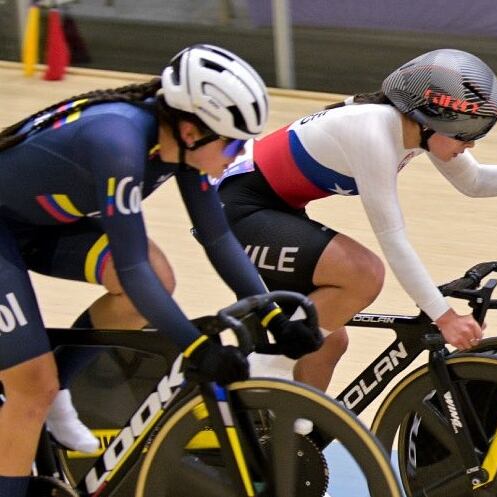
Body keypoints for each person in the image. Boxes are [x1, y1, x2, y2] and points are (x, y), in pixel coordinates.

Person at [0, 44, 322, 497]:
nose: (237, 154)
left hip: (32, 223)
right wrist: (195, 348)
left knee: (159, 274)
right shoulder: (117, 141)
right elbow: (129, 268)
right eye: (232, 142)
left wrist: (273, 316)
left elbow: (218, 237)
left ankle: (60, 391)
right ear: (191, 130)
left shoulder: (180, 143)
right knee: (31, 388)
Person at [216, 48, 497, 391]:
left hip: (272, 208)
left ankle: (288, 446)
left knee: (328, 342)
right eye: (467, 132)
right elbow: (392, 239)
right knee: (362, 274)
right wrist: (444, 317)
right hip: (237, 210)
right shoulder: (373, 133)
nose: (471, 144)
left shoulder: (413, 131)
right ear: (429, 119)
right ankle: (267, 367)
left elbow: (474, 182)